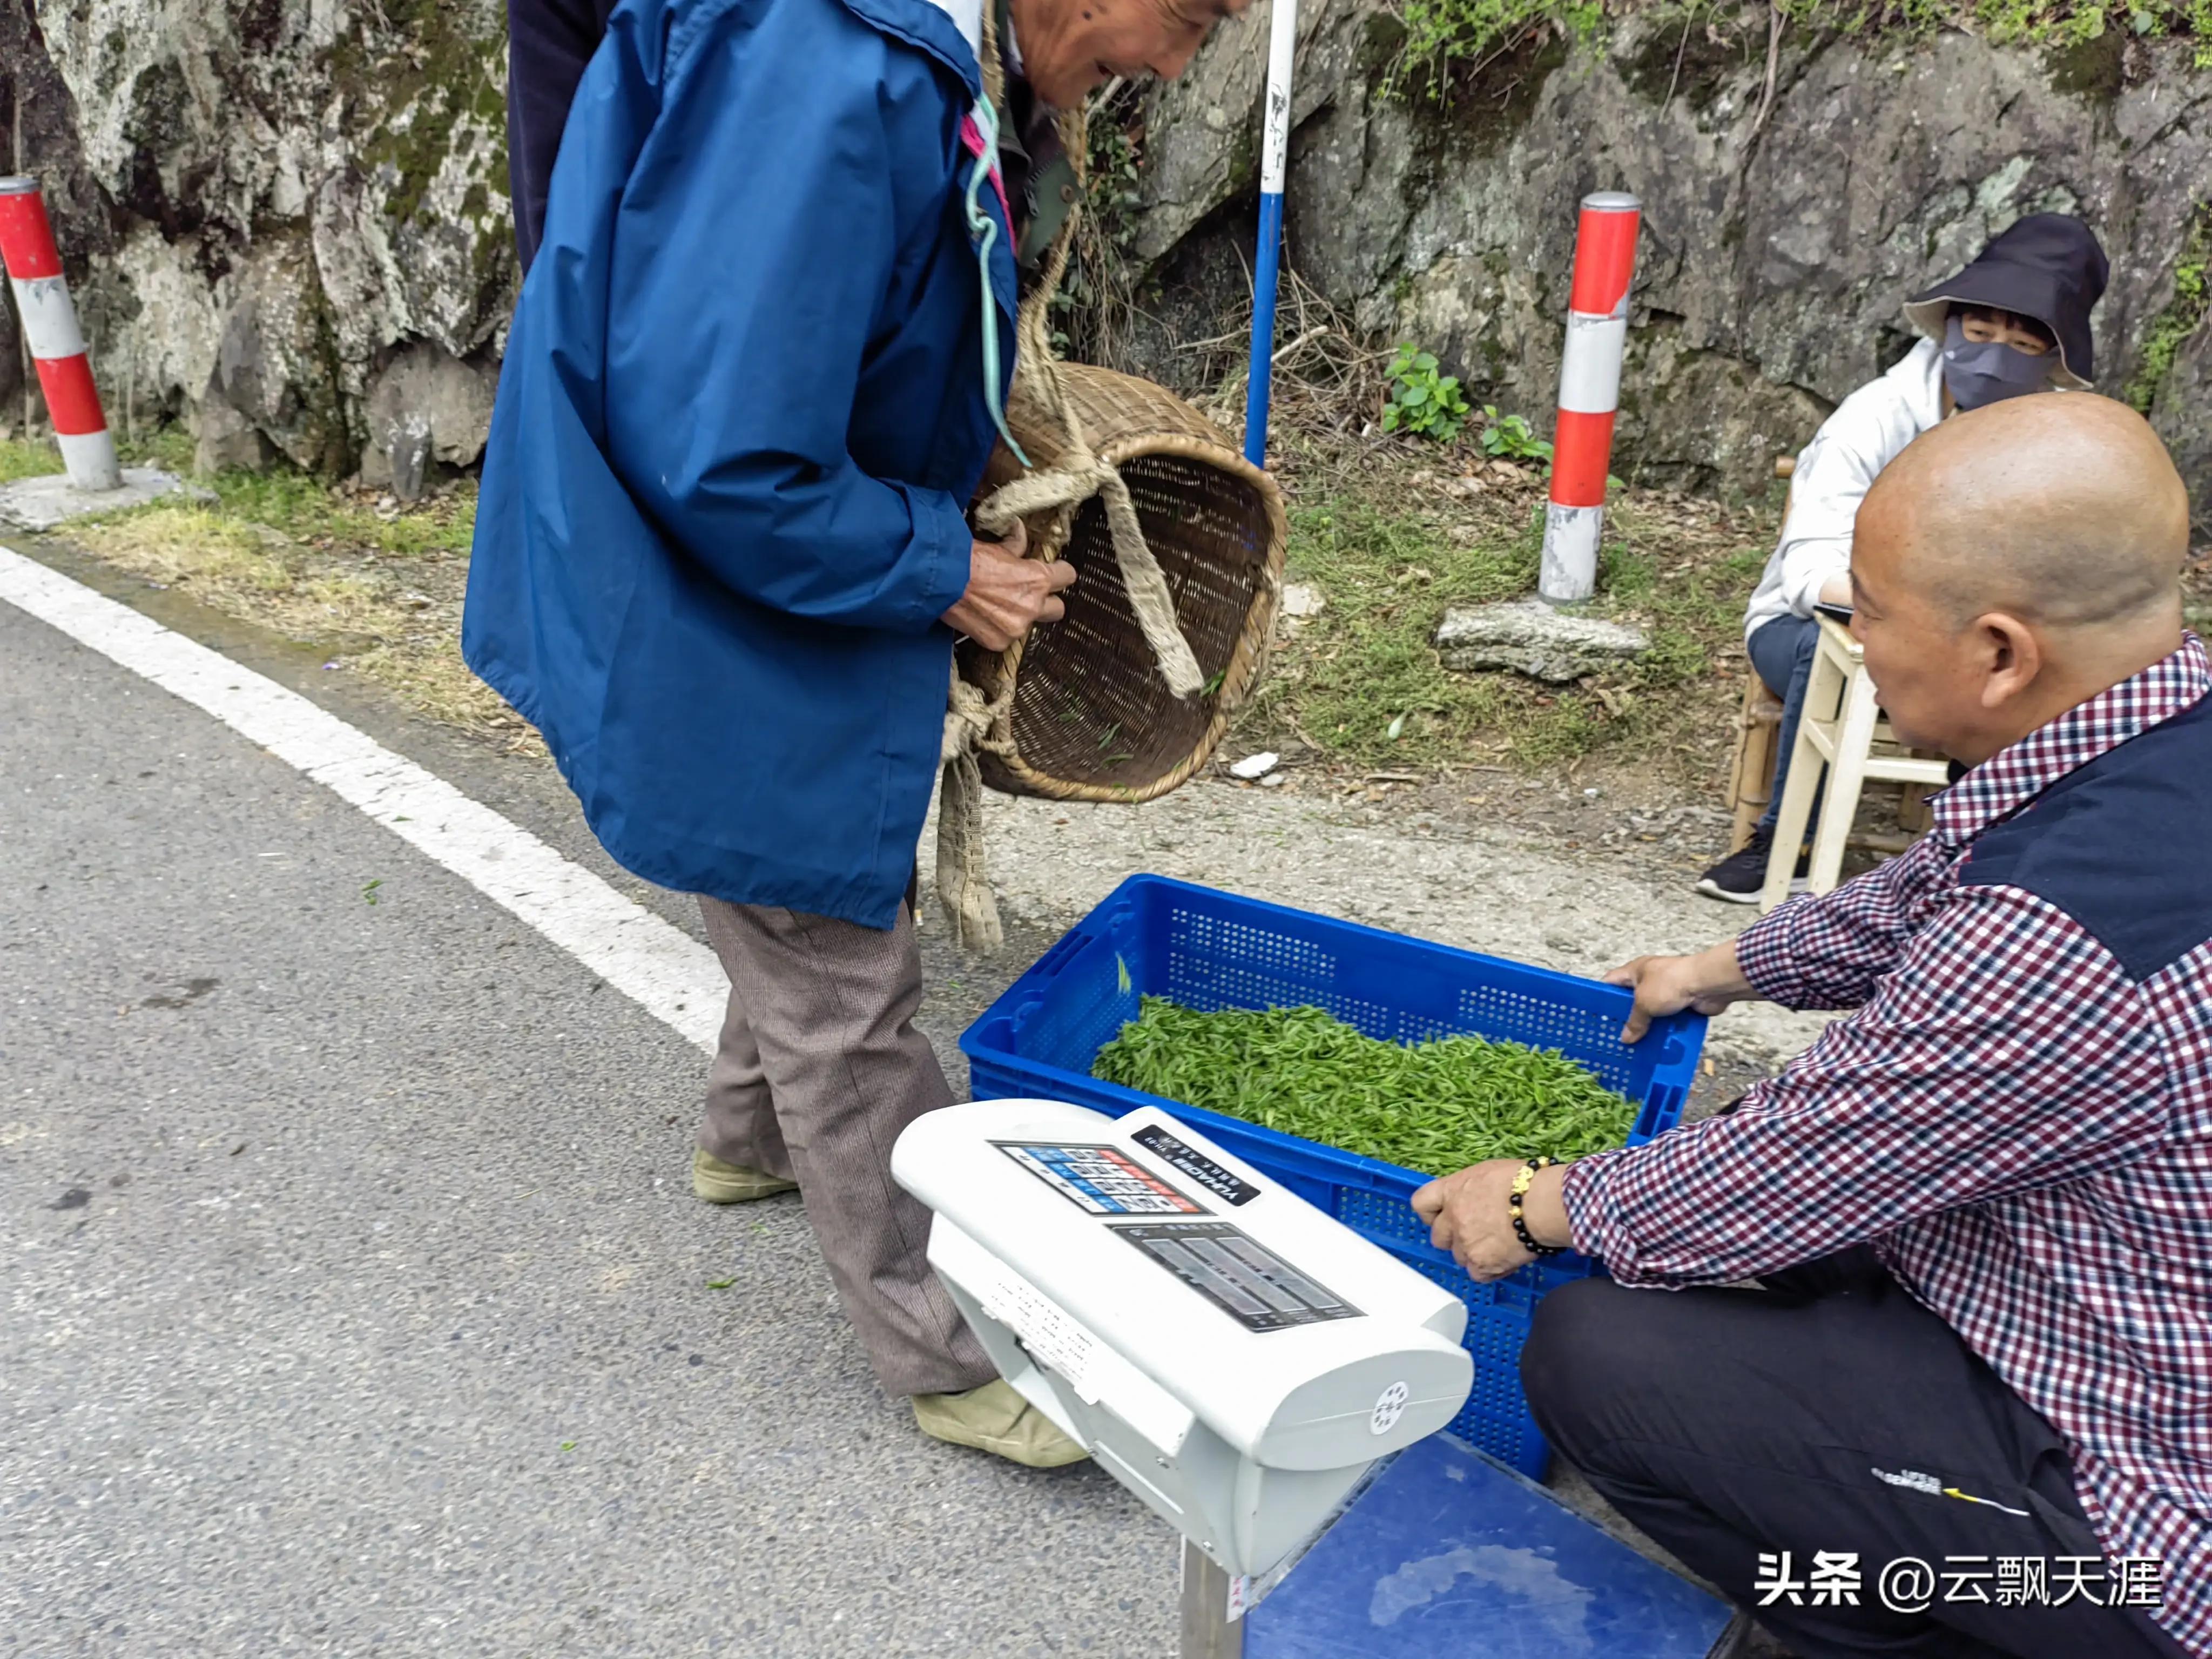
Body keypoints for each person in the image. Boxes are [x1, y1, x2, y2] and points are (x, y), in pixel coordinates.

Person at [468, 0, 1247, 1466]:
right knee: (840, 974)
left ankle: (746, 1142)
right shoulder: (829, 70)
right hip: (699, 579)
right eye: (1190, 20)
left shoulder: (930, 58)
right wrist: (939, 565)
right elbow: (731, 454)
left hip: (743, 573)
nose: (1177, 67)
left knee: (806, 866)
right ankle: (944, 1351)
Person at [1417, 395, 2206, 1657]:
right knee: (1726, 1208)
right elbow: (1916, 896)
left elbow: (1794, 1163)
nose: (1846, 632)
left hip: (2140, 1506)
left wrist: (1526, 1204)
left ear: (2000, 652)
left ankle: (1920, 1627)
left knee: (1593, 1349)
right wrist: (1711, 968)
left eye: (1872, 610)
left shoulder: (2052, 944)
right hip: (2097, 1274)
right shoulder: (2149, 728)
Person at [1695, 213, 2110, 902]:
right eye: (1978, 334)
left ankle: (1994, 858)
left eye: (2021, 343)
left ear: (2050, 358)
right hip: (1820, 627)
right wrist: (1908, 621)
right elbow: (1806, 570)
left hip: (1980, 650)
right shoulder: (1876, 416)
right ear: (1949, 329)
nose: (1994, 355)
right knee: (1816, 647)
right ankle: (1788, 839)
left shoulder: (2061, 441)